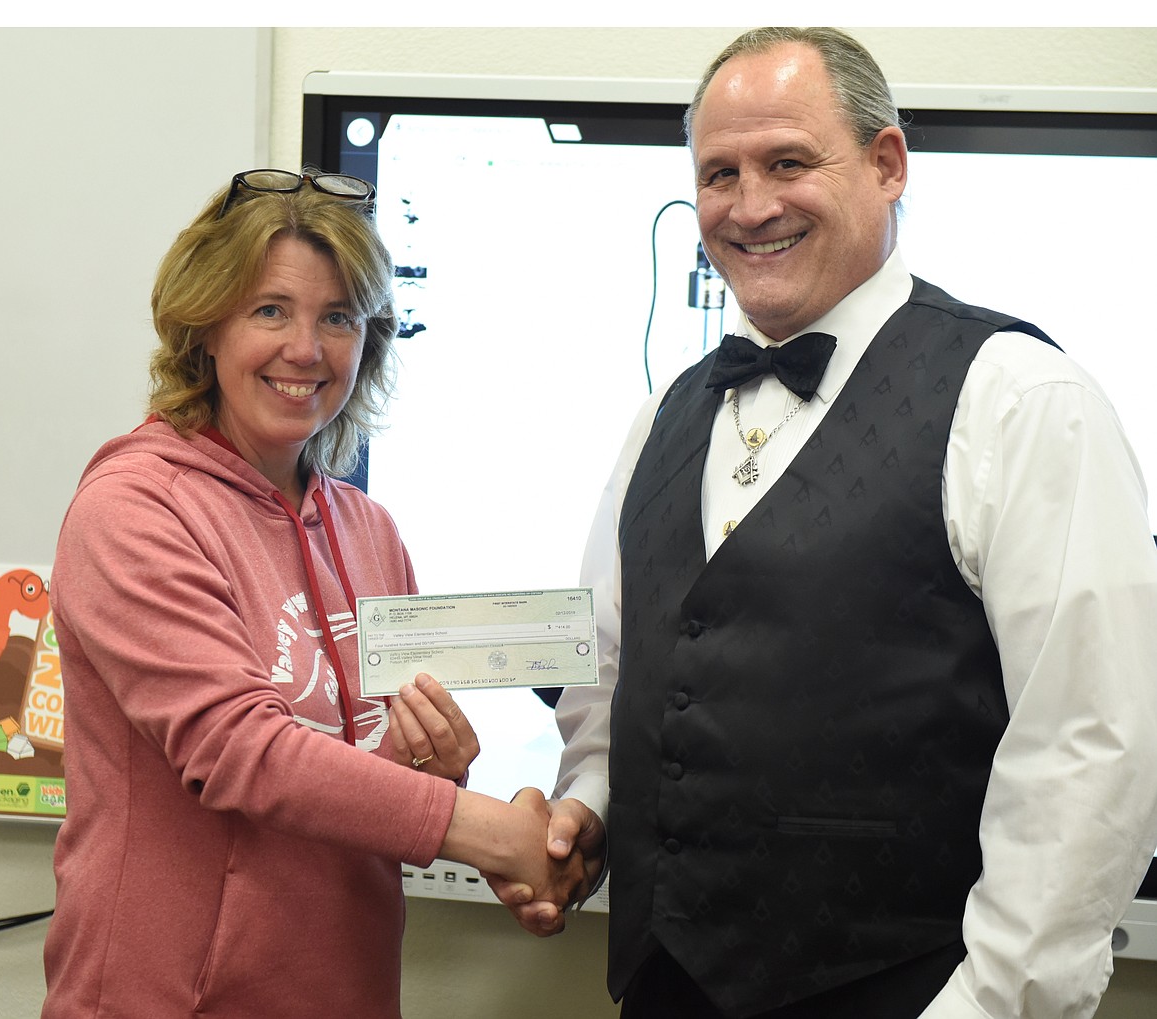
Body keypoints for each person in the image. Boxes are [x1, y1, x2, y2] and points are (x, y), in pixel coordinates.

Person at [494, 26, 1157, 1019]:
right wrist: (585, 806)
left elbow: (1091, 746)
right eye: (719, 173)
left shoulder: (1021, 399)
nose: (751, 204)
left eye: (788, 162)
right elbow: (614, 675)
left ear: (887, 164)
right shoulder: (666, 414)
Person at [42, 168, 583, 1019]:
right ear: (204, 325)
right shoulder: (133, 508)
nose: (307, 349)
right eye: (270, 310)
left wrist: (432, 776)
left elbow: (349, 786)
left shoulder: (369, 530)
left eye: (338, 317)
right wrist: (484, 828)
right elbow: (240, 751)